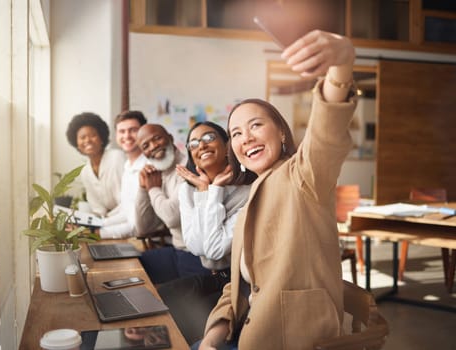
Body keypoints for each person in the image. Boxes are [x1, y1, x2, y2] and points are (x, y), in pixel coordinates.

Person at [196, 30, 358, 350]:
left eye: (256, 125)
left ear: (281, 132)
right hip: (242, 332)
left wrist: (341, 65)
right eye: (237, 133)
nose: (247, 138)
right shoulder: (250, 200)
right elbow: (239, 286)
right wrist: (211, 338)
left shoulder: (302, 175)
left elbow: (326, 133)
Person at [157, 121, 253, 345]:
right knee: (165, 297)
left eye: (209, 138)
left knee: (184, 315)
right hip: (217, 276)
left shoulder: (249, 190)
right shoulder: (188, 189)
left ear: (227, 144)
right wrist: (203, 190)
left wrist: (214, 190)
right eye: (194, 143)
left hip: (240, 282)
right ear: (191, 154)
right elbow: (196, 246)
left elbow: (214, 249)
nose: (201, 145)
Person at [134, 124, 210, 284]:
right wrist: (143, 188)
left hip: (198, 258)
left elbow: (171, 217)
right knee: (132, 265)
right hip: (177, 251)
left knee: (167, 298)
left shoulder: (190, 167)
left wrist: (153, 189)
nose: (154, 146)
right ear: (143, 153)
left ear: (170, 137)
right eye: (146, 146)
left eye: (157, 138)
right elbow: (143, 228)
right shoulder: (156, 173)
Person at [98, 110, 148, 239]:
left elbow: (135, 226)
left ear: (143, 132)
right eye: (122, 131)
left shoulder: (148, 169)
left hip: (150, 243)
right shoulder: (128, 166)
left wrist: (97, 233)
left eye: (133, 130)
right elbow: (127, 212)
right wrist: (98, 224)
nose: (127, 136)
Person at [66, 112, 125, 217]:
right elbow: (98, 209)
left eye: (93, 135)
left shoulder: (117, 157)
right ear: (77, 144)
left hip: (129, 217)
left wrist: (106, 219)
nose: (88, 140)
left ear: (101, 138)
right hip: (109, 221)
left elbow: (127, 201)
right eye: (82, 137)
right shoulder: (85, 172)